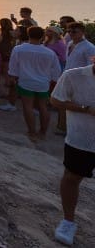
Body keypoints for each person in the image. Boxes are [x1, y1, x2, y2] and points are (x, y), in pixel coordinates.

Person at [50, 64, 95, 246]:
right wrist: (85, 108)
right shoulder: (73, 75)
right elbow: (55, 100)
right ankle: (68, 221)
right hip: (81, 139)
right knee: (71, 178)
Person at [5, 26, 61, 140]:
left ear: (28, 34)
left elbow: (13, 66)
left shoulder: (19, 49)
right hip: (43, 83)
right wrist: (53, 81)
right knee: (43, 107)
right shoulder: (49, 53)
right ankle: (43, 132)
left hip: (26, 82)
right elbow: (56, 70)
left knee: (28, 107)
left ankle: (32, 132)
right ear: (43, 36)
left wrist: (12, 77)